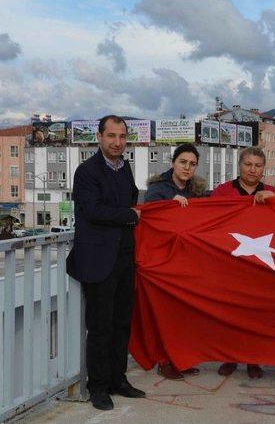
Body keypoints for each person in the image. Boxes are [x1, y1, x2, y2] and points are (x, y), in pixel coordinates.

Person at [66, 115, 145, 411]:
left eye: (122, 136)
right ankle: (97, 387)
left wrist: (129, 212)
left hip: (124, 257)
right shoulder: (87, 171)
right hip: (98, 260)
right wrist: (129, 215)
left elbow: (131, 199)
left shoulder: (125, 169)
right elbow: (93, 210)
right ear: (98, 137)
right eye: (111, 136)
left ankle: (117, 379)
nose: (117, 142)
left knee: (122, 323)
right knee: (99, 327)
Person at [211, 146, 275, 379]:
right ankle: (230, 357)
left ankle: (253, 359)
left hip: (260, 264)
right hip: (230, 262)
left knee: (255, 314)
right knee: (229, 313)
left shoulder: (272, 191)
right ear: (240, 165)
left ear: (264, 169)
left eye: (258, 165)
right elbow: (209, 221)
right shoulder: (222, 192)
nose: (252, 169)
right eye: (248, 164)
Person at [143, 143, 207, 380]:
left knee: (184, 314)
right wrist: (169, 204)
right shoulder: (157, 189)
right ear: (173, 162)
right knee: (165, 313)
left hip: (186, 261)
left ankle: (181, 357)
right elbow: (150, 220)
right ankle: (164, 360)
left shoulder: (197, 190)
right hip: (162, 262)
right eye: (183, 162)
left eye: (192, 164)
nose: (187, 168)